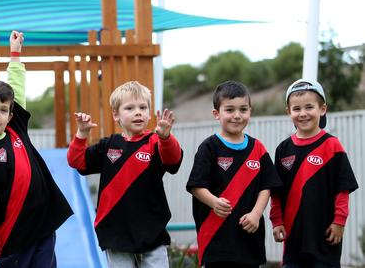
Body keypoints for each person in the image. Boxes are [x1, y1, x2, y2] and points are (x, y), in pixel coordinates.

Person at [0, 31, 73, 268]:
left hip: (44, 225)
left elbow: (16, 89)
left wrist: (15, 55)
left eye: (3, 110)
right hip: (14, 233)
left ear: (11, 115)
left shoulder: (15, 129)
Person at [67, 80, 182, 268]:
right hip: (115, 231)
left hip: (151, 229)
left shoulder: (155, 142)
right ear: (116, 115)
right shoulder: (108, 144)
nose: (138, 112)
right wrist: (81, 133)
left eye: (143, 107)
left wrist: (166, 138)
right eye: (130, 108)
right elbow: (77, 161)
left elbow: (173, 161)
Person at [186, 80, 281, 268]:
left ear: (250, 112)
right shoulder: (209, 147)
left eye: (243, 110)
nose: (237, 116)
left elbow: (267, 185)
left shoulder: (258, 148)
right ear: (216, 114)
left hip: (249, 243)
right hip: (216, 241)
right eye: (229, 110)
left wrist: (256, 213)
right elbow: (196, 186)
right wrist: (214, 202)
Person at [269, 79, 358, 268]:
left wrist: (339, 222)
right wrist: (276, 221)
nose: (303, 114)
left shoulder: (332, 146)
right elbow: (276, 192)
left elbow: (342, 189)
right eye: (296, 109)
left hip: (325, 236)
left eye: (309, 107)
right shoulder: (283, 150)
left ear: (322, 109)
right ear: (288, 112)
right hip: (293, 238)